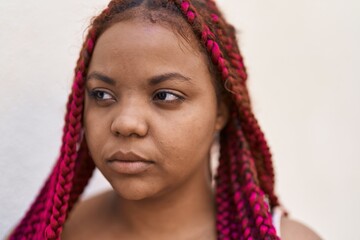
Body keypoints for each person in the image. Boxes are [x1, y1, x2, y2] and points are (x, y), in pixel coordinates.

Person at [8, 0, 322, 239]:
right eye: (102, 95)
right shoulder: (58, 231)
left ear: (221, 111)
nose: (126, 123)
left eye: (165, 96)